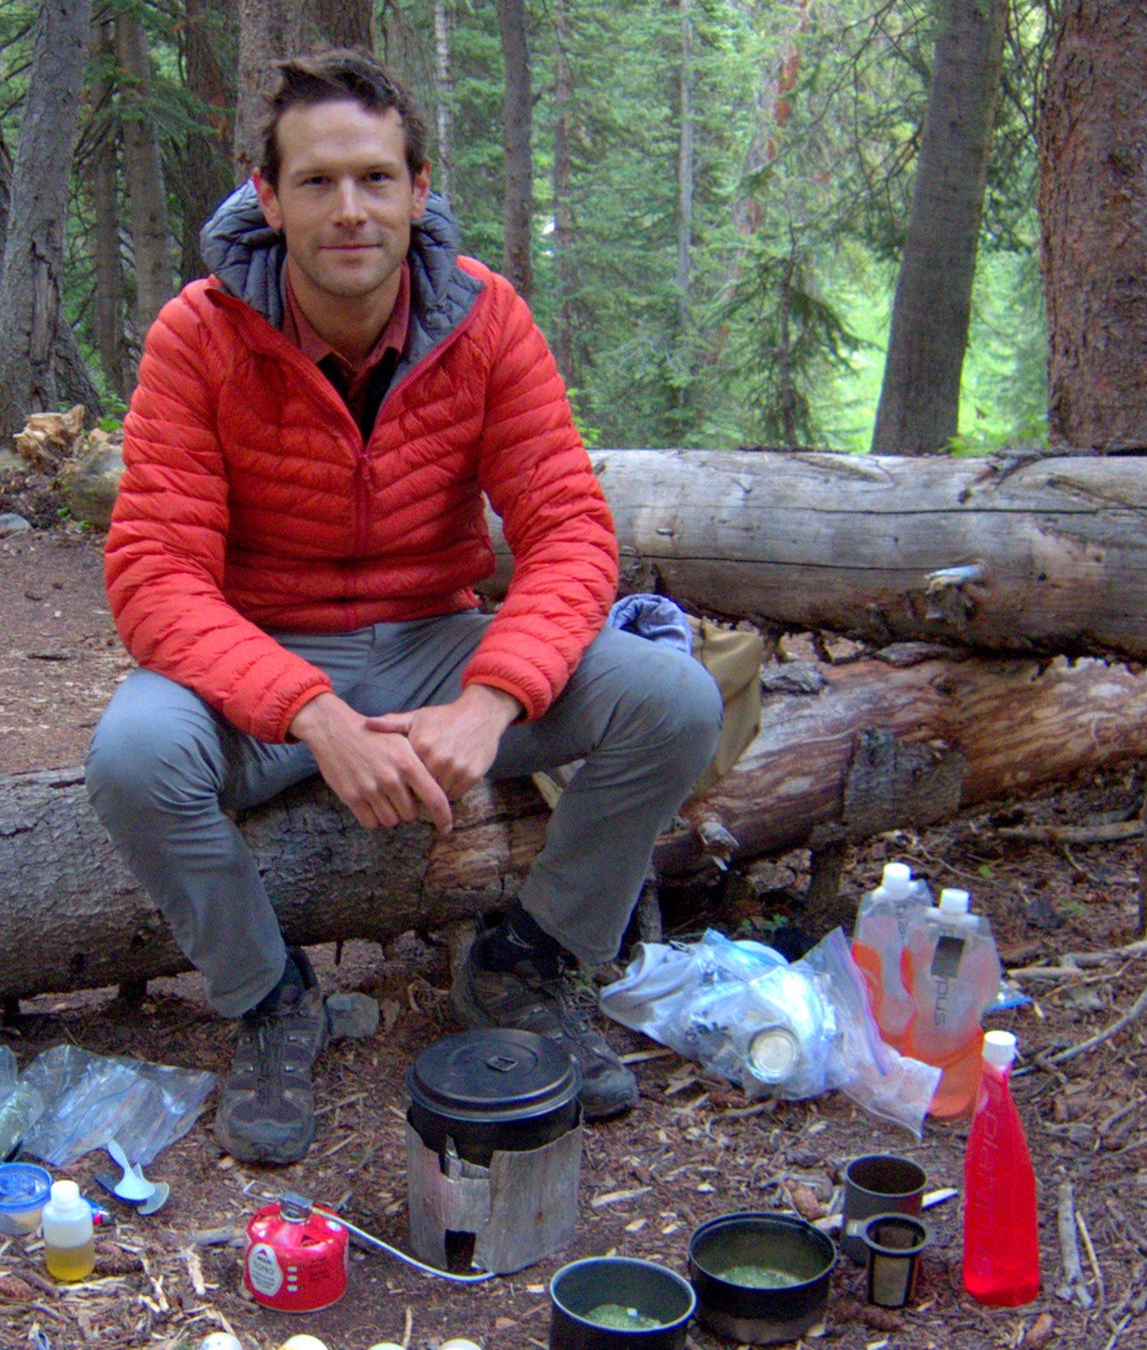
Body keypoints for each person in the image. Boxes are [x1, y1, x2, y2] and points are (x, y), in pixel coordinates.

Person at [85, 49, 721, 1165]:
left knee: (670, 696)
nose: (350, 210)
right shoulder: (200, 335)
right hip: (262, 662)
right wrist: (312, 713)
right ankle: (271, 1002)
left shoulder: (484, 320)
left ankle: (528, 962)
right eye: (319, 182)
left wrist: (491, 700)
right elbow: (155, 573)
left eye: (376, 179)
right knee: (136, 753)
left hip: (439, 643)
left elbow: (570, 530)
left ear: (420, 190)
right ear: (267, 196)